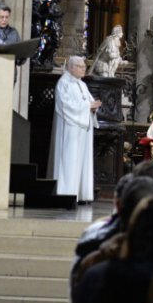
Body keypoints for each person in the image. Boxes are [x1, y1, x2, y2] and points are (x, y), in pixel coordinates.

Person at [49, 56, 100, 204]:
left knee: (81, 160)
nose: (84, 69)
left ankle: (80, 194)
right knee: (69, 159)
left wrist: (93, 107)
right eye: (80, 66)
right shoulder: (63, 83)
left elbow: (88, 102)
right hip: (70, 127)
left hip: (82, 127)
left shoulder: (82, 85)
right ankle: (67, 194)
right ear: (71, 67)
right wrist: (87, 107)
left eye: (84, 66)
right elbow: (65, 105)